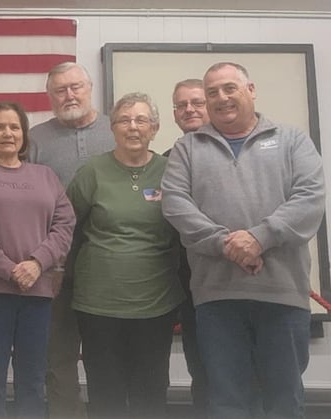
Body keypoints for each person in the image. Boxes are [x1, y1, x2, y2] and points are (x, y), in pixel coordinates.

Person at [162, 62, 325, 419]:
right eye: (212, 92)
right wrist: (227, 244)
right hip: (216, 300)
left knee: (284, 401)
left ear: (250, 90)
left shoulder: (292, 139)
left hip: (282, 295)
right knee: (227, 403)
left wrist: (259, 238)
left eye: (229, 88)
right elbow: (176, 206)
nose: (221, 98)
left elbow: (309, 198)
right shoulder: (186, 148)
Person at [67, 92, 185, 419]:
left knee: (151, 392)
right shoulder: (92, 172)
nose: (132, 127)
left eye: (141, 120)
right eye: (123, 120)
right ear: (112, 128)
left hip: (155, 304)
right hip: (98, 305)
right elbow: (65, 226)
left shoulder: (172, 171)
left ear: (155, 128)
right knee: (106, 393)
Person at [0, 101, 75, 417]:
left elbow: (65, 224)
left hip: (37, 293)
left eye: (14, 127)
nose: (7, 133)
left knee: (33, 381)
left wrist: (37, 263)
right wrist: (9, 269)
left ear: (24, 135)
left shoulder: (46, 176)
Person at [27, 61, 115, 418]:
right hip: (54, 270)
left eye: (75, 87)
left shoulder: (117, 130)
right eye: (60, 90)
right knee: (57, 358)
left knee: (106, 357)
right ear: (49, 96)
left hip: (107, 270)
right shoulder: (34, 139)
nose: (69, 95)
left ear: (90, 88)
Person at [169, 78, 210, 416]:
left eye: (197, 102)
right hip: (190, 285)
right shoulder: (167, 160)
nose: (190, 110)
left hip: (242, 276)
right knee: (204, 371)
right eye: (182, 105)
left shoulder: (244, 152)